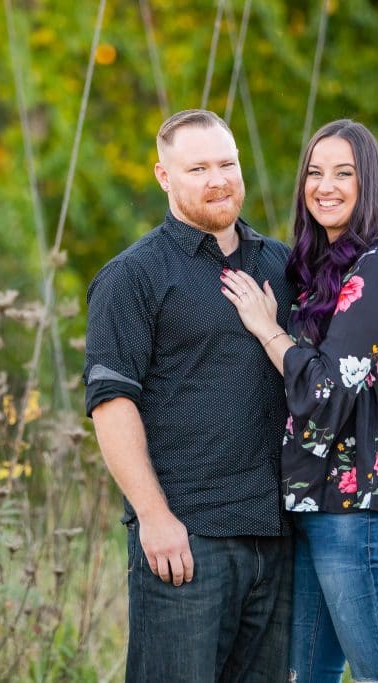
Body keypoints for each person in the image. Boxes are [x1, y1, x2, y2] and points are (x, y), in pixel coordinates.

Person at [84, 109, 296, 682]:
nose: (217, 179)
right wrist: (153, 517)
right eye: (197, 167)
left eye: (227, 163)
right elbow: (110, 403)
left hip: (278, 538)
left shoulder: (283, 264)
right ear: (163, 176)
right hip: (186, 540)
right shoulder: (133, 277)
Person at [221, 119, 378, 683]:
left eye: (344, 173)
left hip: (364, 510)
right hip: (321, 509)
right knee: (305, 677)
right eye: (314, 173)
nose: (326, 185)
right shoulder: (326, 271)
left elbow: (325, 392)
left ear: (370, 183)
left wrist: (268, 330)